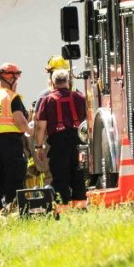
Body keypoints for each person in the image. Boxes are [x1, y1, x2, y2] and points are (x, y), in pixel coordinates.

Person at [34, 69, 88, 207]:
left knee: (60, 178)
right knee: (79, 176)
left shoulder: (47, 100)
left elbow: (40, 126)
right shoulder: (80, 98)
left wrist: (39, 146)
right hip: (79, 144)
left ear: (53, 83)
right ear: (68, 82)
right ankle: (81, 207)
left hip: (58, 145)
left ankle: (63, 209)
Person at [0, 63, 30, 209]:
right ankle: (13, 209)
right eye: (17, 77)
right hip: (10, 142)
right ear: (12, 78)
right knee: (13, 178)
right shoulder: (12, 97)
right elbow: (19, 120)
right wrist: (30, 130)